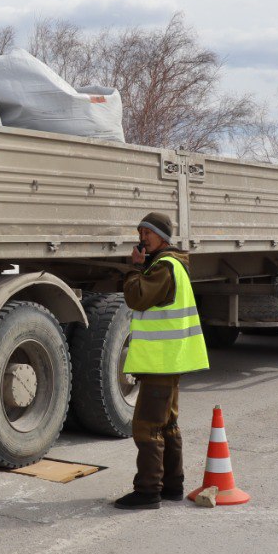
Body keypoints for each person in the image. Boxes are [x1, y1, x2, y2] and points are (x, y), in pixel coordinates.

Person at [113, 211, 210, 510]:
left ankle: (147, 491)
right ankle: (171, 486)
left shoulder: (162, 268)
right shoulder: (171, 265)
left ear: (163, 237)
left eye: (148, 233)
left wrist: (134, 269)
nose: (142, 237)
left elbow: (137, 297)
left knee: (146, 427)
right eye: (140, 232)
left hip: (161, 363)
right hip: (168, 361)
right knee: (167, 425)